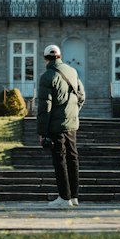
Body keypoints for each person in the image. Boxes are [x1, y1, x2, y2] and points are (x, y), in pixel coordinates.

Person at [35, 44, 85, 208]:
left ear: (45, 58)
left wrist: (42, 132)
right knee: (73, 158)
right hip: (71, 124)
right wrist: (72, 112)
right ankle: (74, 196)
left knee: (60, 160)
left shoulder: (47, 76)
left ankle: (64, 198)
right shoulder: (72, 71)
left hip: (56, 126)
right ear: (60, 56)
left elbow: (45, 108)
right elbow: (81, 96)